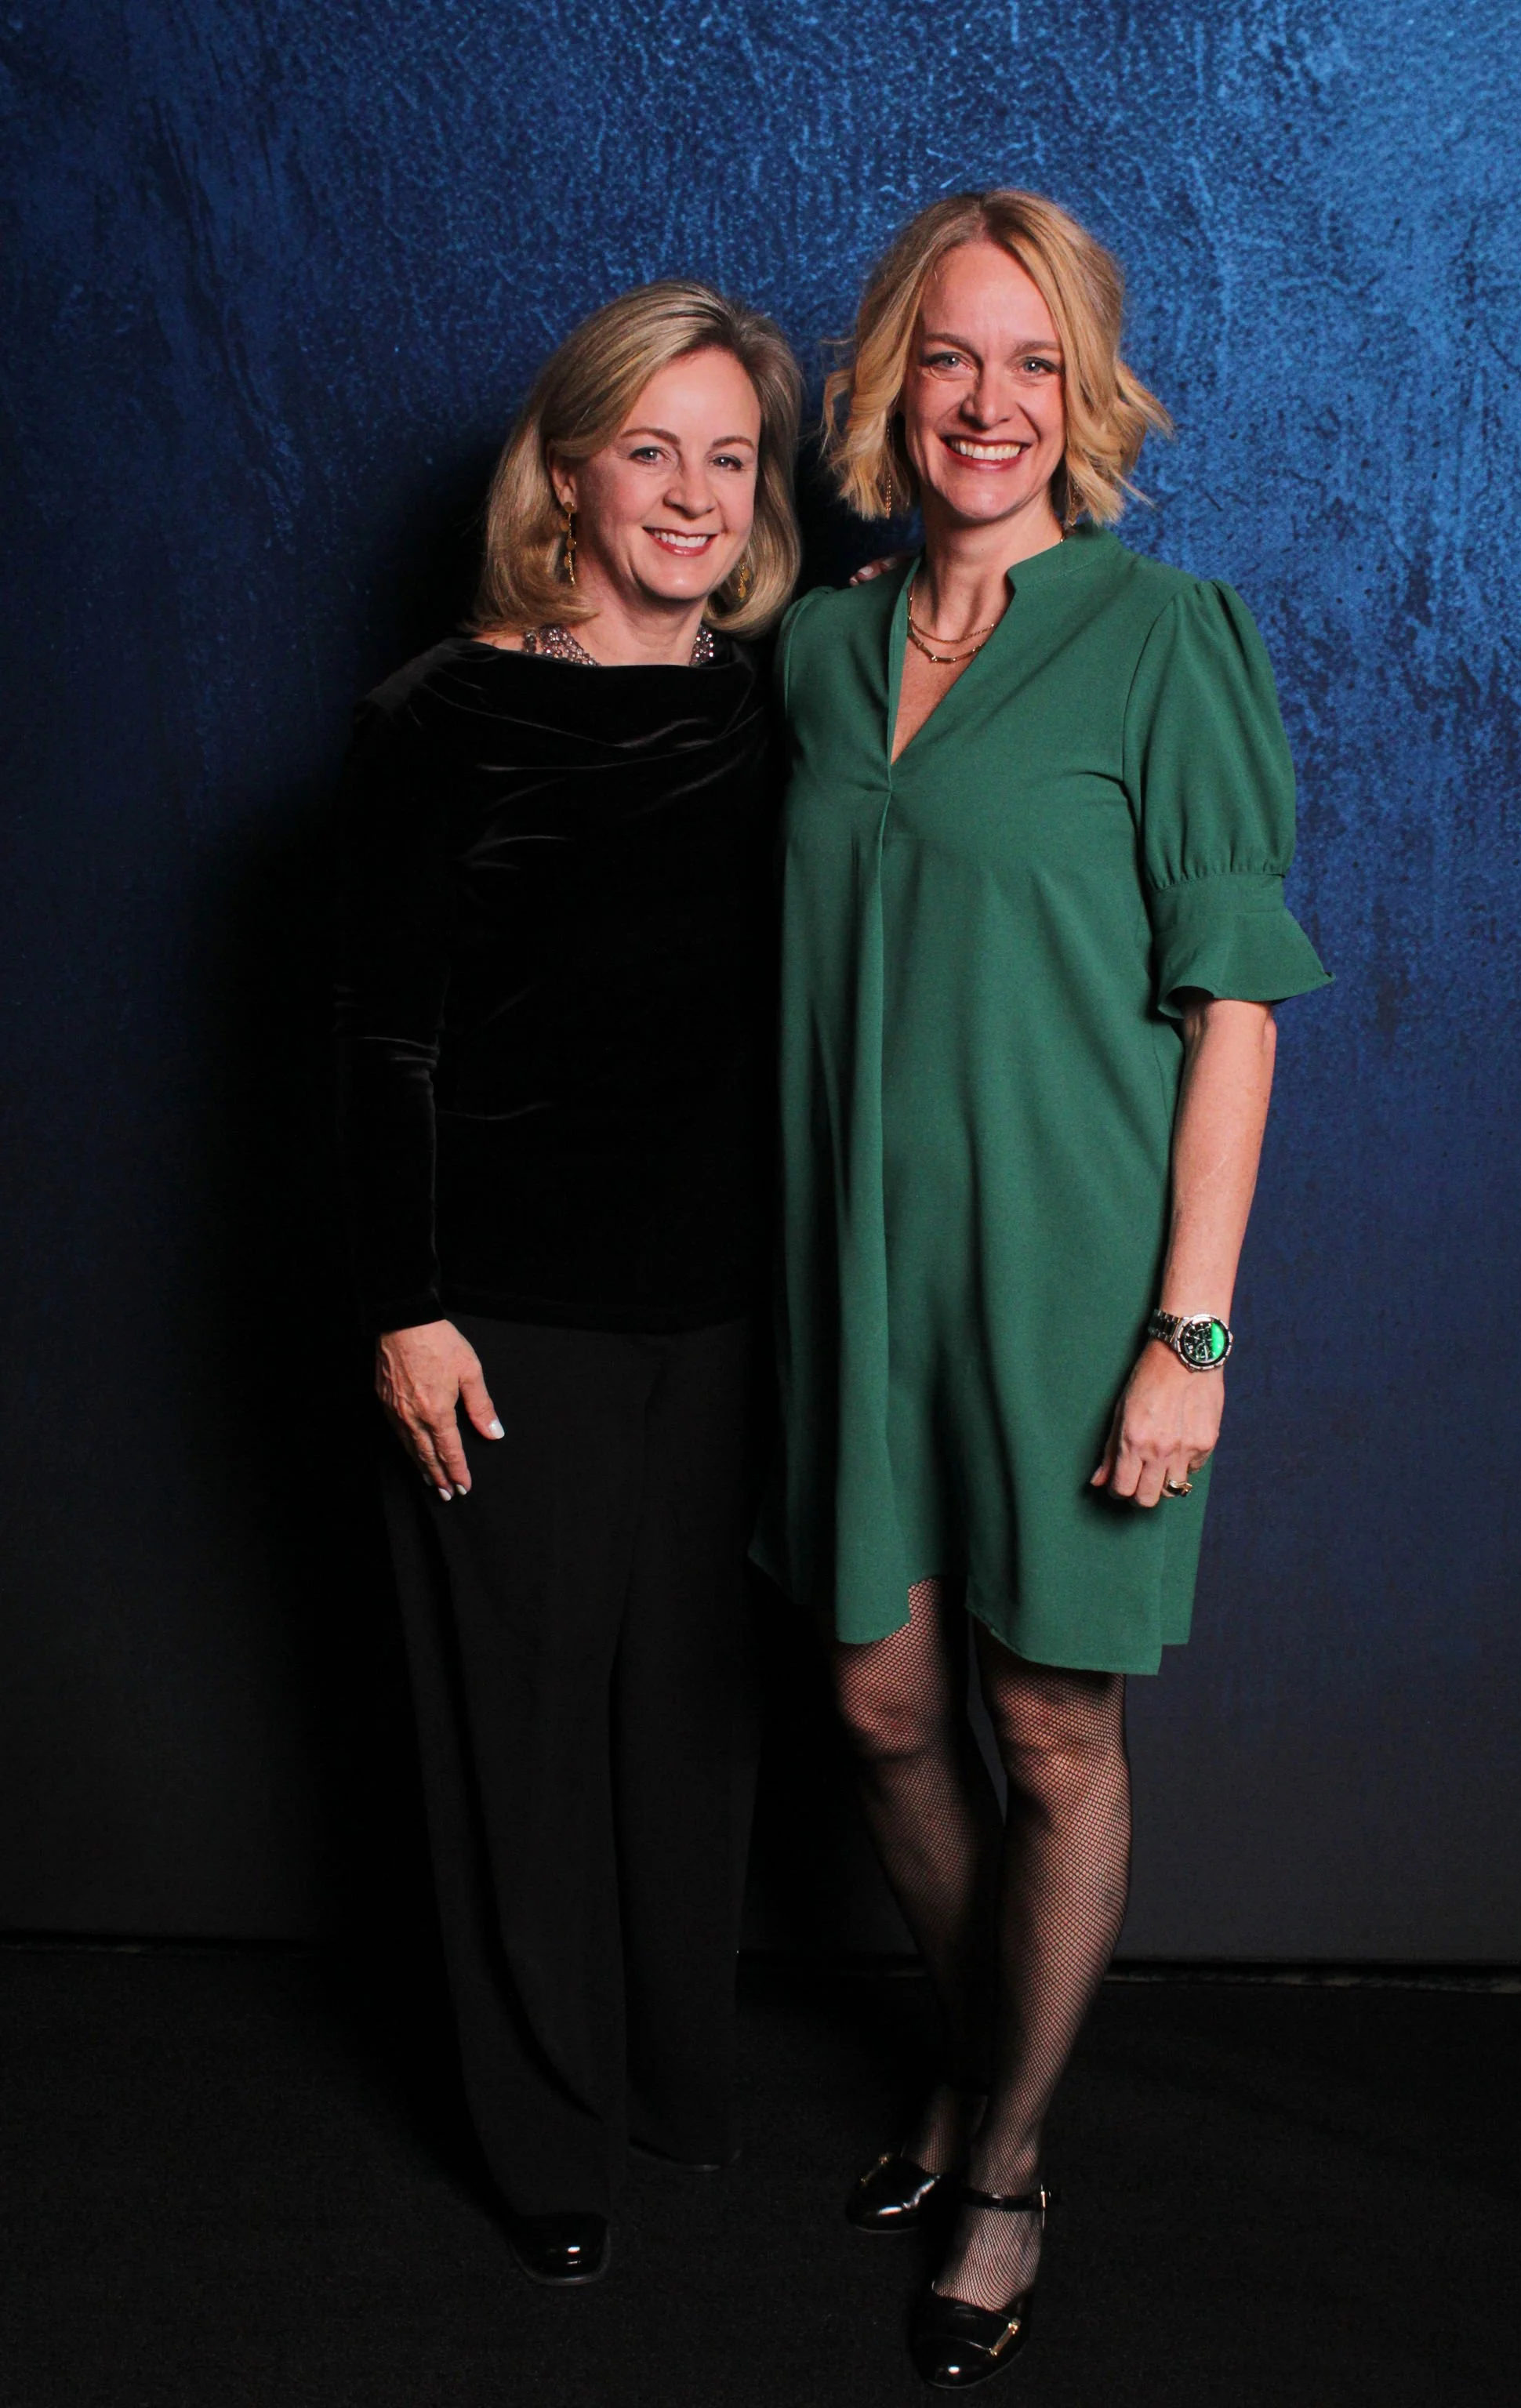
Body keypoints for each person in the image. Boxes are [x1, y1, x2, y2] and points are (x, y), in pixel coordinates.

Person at [753, 190, 1330, 2388]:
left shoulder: (1170, 635)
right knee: (880, 1709)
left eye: (1030, 363)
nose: (984, 404)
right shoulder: (815, 648)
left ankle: (1001, 2156)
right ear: (888, 385)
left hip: (1082, 1270)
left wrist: (1189, 1336)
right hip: (849, 1264)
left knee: (1044, 1725)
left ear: (1084, 398)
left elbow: (1241, 1011)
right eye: (944, 357)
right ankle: (986, 2057)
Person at [335, 281, 800, 2287]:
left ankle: (681, 2085)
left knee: (690, 1723)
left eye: (729, 454)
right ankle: (544, 2140)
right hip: (500, 1309)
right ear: (571, 470)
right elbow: (380, 1039)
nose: (691, 494)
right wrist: (401, 1302)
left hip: (731, 1307)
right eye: (651, 451)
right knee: (518, 1735)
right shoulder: (441, 715)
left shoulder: (782, 708)